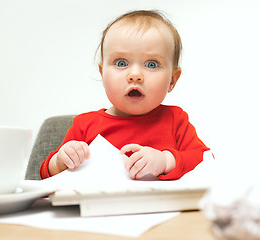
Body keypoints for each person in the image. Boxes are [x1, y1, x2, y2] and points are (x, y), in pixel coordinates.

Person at [40, 10, 209, 181]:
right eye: (121, 63)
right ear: (102, 73)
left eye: (151, 64)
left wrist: (166, 160)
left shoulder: (176, 120)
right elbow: (46, 175)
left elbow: (206, 162)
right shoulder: (84, 125)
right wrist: (60, 160)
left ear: (172, 80)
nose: (135, 75)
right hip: (100, 206)